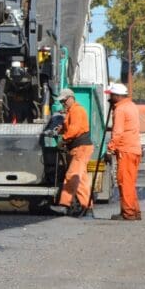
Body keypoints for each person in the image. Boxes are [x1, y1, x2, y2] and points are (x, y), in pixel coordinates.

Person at [55, 88, 93, 217]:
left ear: (71, 98)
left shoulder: (77, 110)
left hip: (80, 148)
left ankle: (64, 205)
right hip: (80, 147)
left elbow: (75, 129)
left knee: (71, 175)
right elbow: (70, 127)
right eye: (61, 102)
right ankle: (87, 208)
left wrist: (63, 139)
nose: (63, 103)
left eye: (64, 101)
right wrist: (61, 130)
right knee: (81, 179)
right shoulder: (72, 111)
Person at [105, 82, 141, 220]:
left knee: (124, 182)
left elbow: (118, 132)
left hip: (125, 150)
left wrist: (110, 149)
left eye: (112, 95)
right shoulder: (131, 106)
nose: (110, 98)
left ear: (117, 96)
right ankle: (134, 210)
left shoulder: (120, 110)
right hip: (134, 149)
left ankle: (128, 213)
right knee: (130, 182)